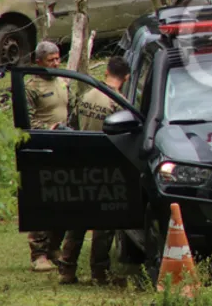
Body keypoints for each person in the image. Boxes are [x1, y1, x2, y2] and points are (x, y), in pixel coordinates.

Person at [57, 55, 132, 285]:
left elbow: (74, 124)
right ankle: (100, 272)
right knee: (104, 222)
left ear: (107, 70)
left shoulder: (87, 94)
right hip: (105, 166)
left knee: (78, 218)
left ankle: (67, 269)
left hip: (82, 161)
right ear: (126, 77)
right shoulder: (118, 102)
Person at [25, 41, 70, 273]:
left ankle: (54, 246)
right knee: (42, 199)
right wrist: (49, 127)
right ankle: (39, 254)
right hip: (42, 147)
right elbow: (25, 121)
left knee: (62, 197)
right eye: (51, 60)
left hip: (63, 146)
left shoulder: (62, 80)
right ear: (39, 61)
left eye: (57, 58)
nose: (56, 63)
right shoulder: (31, 87)